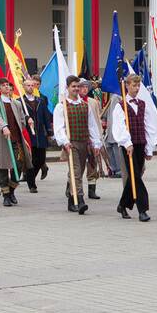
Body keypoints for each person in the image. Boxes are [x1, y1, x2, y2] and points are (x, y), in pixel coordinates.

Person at [111, 74, 157, 222]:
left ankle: (123, 204)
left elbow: (148, 126)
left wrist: (149, 147)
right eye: (134, 85)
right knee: (136, 177)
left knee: (136, 174)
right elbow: (119, 126)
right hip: (129, 146)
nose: (136, 88)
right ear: (127, 86)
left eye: (138, 85)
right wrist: (127, 143)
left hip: (140, 143)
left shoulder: (142, 104)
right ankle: (143, 209)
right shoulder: (121, 106)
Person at [53, 76, 103, 214]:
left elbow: (92, 126)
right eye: (73, 86)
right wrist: (64, 141)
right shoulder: (61, 106)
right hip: (71, 143)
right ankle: (80, 201)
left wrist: (96, 143)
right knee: (75, 172)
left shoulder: (85, 105)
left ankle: (71, 199)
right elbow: (59, 127)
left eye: (77, 86)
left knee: (78, 173)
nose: (76, 89)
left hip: (84, 143)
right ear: (68, 88)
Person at [0, 78, 33, 207]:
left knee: (18, 166)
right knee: (3, 167)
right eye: (3, 85)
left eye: (8, 85)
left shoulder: (16, 103)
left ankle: (12, 189)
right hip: (3, 140)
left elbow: (20, 119)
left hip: (16, 140)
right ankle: (6, 195)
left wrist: (26, 120)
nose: (7, 87)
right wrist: (4, 127)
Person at [21, 75, 52, 193]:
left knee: (41, 159)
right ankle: (32, 184)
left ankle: (30, 177)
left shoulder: (40, 101)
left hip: (40, 134)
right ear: (23, 87)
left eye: (32, 85)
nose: (30, 87)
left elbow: (46, 117)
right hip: (28, 135)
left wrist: (49, 130)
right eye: (27, 85)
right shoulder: (20, 102)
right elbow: (19, 116)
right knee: (31, 160)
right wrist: (26, 117)